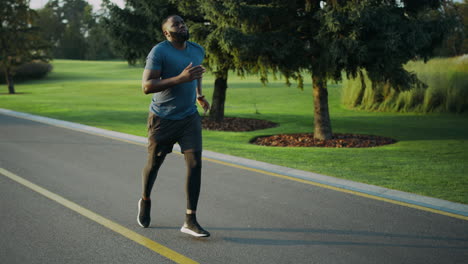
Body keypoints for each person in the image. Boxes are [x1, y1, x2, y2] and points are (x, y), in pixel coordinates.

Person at [138, 15, 211, 237]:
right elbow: (147, 86)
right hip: (163, 118)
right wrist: (180, 78)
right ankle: (145, 199)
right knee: (154, 164)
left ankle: (190, 220)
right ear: (166, 33)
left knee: (195, 163)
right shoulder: (159, 51)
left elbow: (195, 72)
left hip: (189, 117)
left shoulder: (197, 49)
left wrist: (199, 95)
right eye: (176, 25)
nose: (182, 26)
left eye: (183, 23)